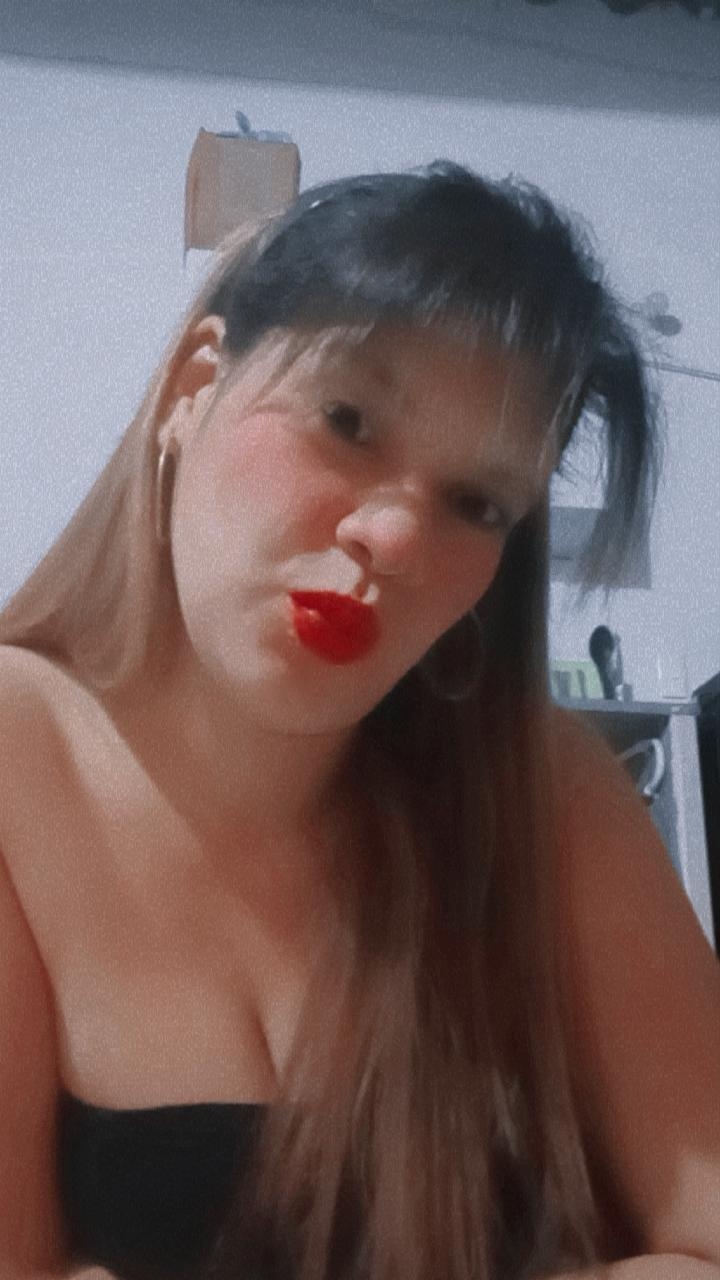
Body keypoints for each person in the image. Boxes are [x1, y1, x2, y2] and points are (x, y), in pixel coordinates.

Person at [0, 161, 718, 1280]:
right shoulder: (17, 758)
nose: (395, 537)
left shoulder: (546, 790)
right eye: (346, 420)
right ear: (194, 387)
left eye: (477, 502)